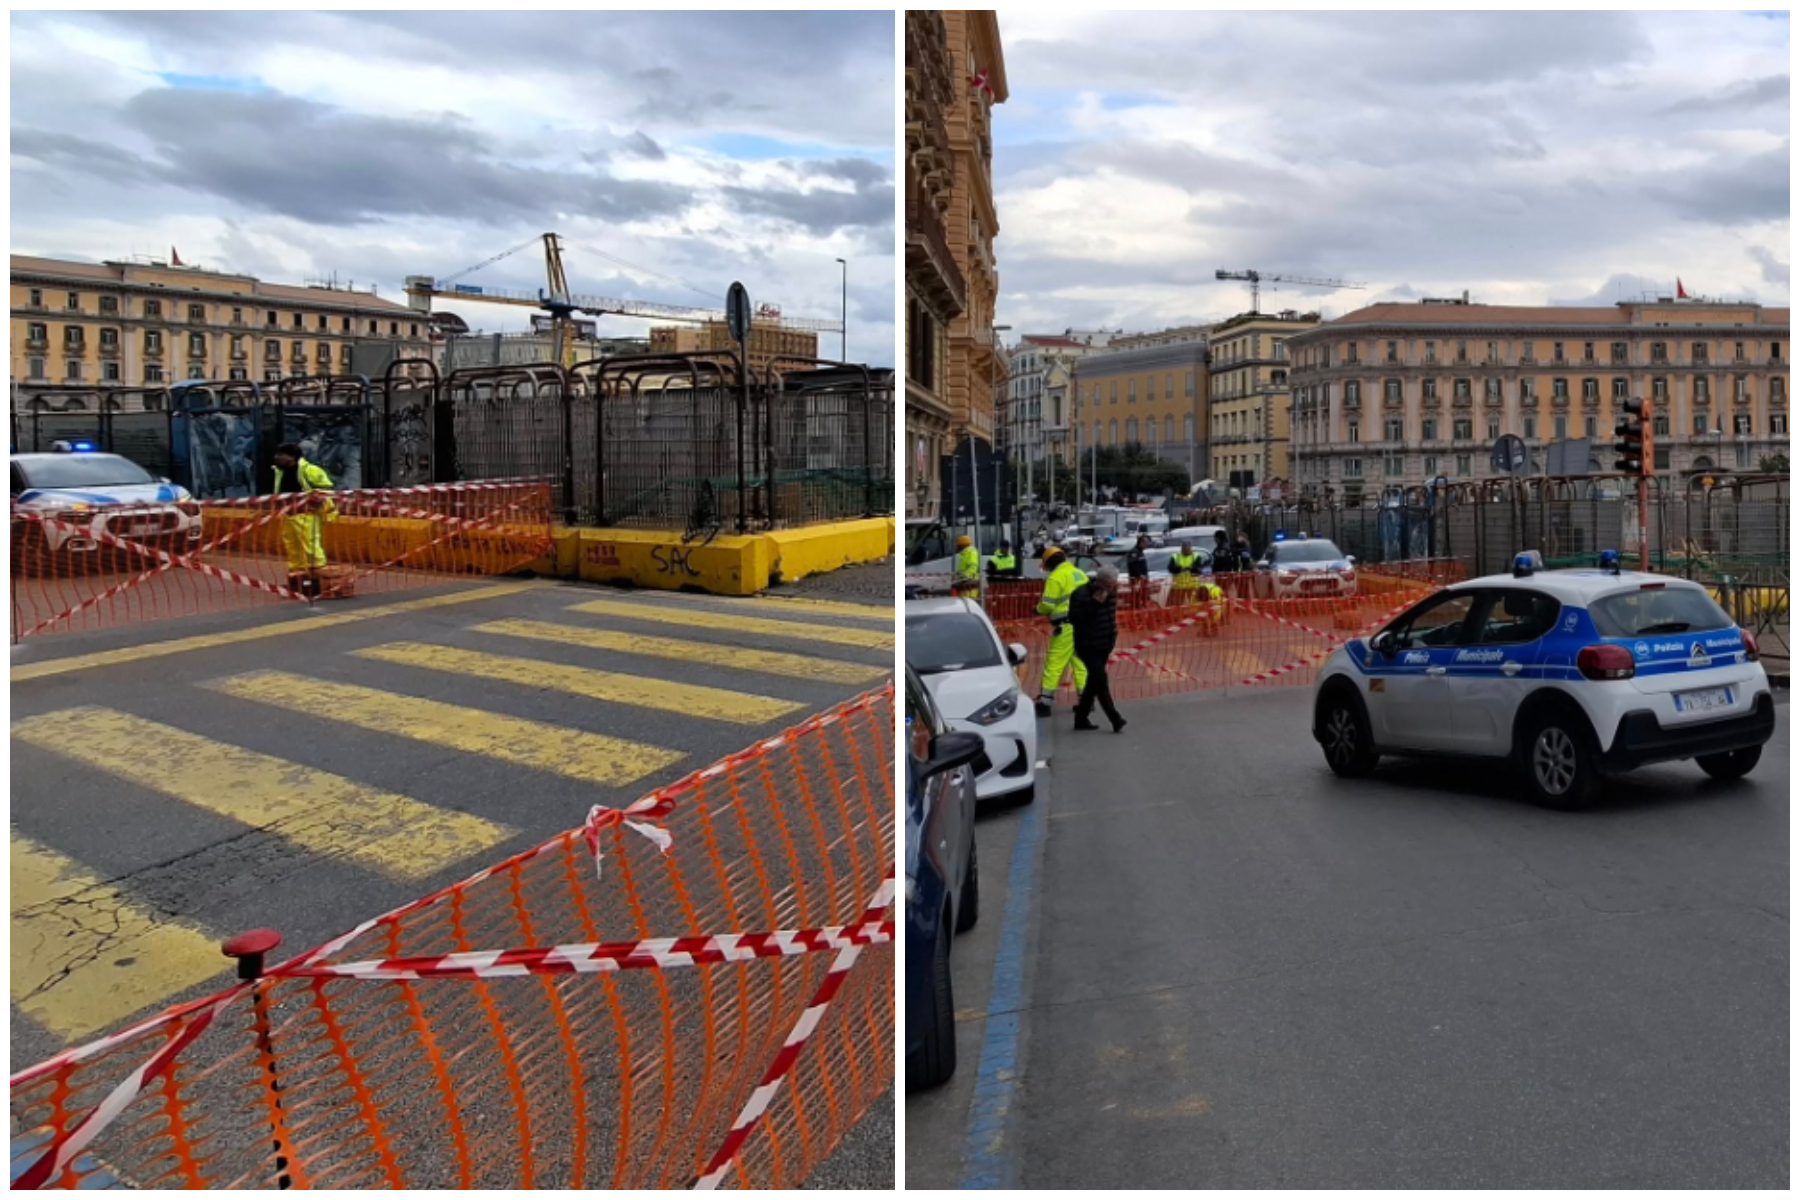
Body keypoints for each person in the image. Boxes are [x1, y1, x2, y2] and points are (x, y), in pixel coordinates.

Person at [272, 442, 335, 597]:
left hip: (307, 514)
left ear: (292, 457)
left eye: (281, 455)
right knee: (292, 546)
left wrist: (317, 499)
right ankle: (297, 580)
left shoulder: (309, 470)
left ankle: (318, 580)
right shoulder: (281, 471)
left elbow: (326, 487)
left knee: (310, 545)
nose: (277, 458)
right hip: (289, 514)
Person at [1069, 566, 1127, 732]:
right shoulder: (1081, 593)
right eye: (1110, 584)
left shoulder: (1111, 592)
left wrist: (1112, 636)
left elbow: (1109, 616)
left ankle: (1081, 717)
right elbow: (1076, 618)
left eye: (1114, 584)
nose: (1113, 587)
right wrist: (1094, 603)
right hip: (1087, 644)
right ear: (1101, 581)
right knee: (1100, 680)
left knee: (1093, 682)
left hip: (1104, 643)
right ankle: (1115, 718)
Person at [1033, 546, 1088, 716]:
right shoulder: (1079, 573)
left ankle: (1044, 702)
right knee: (1081, 664)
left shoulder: (1055, 577)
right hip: (1084, 625)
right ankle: (1086, 701)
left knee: (1054, 664)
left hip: (1065, 627)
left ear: (1049, 563)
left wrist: (1037, 609)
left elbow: (1048, 604)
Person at [1169, 539, 1201, 603]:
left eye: (1187, 549)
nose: (1185, 550)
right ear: (1181, 548)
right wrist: (1180, 569)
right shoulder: (1175, 556)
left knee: (1194, 603)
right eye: (1184, 548)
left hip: (1192, 585)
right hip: (1179, 586)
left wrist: (1190, 568)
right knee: (1178, 604)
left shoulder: (1196, 556)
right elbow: (1170, 568)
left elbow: (1198, 569)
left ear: (1190, 548)